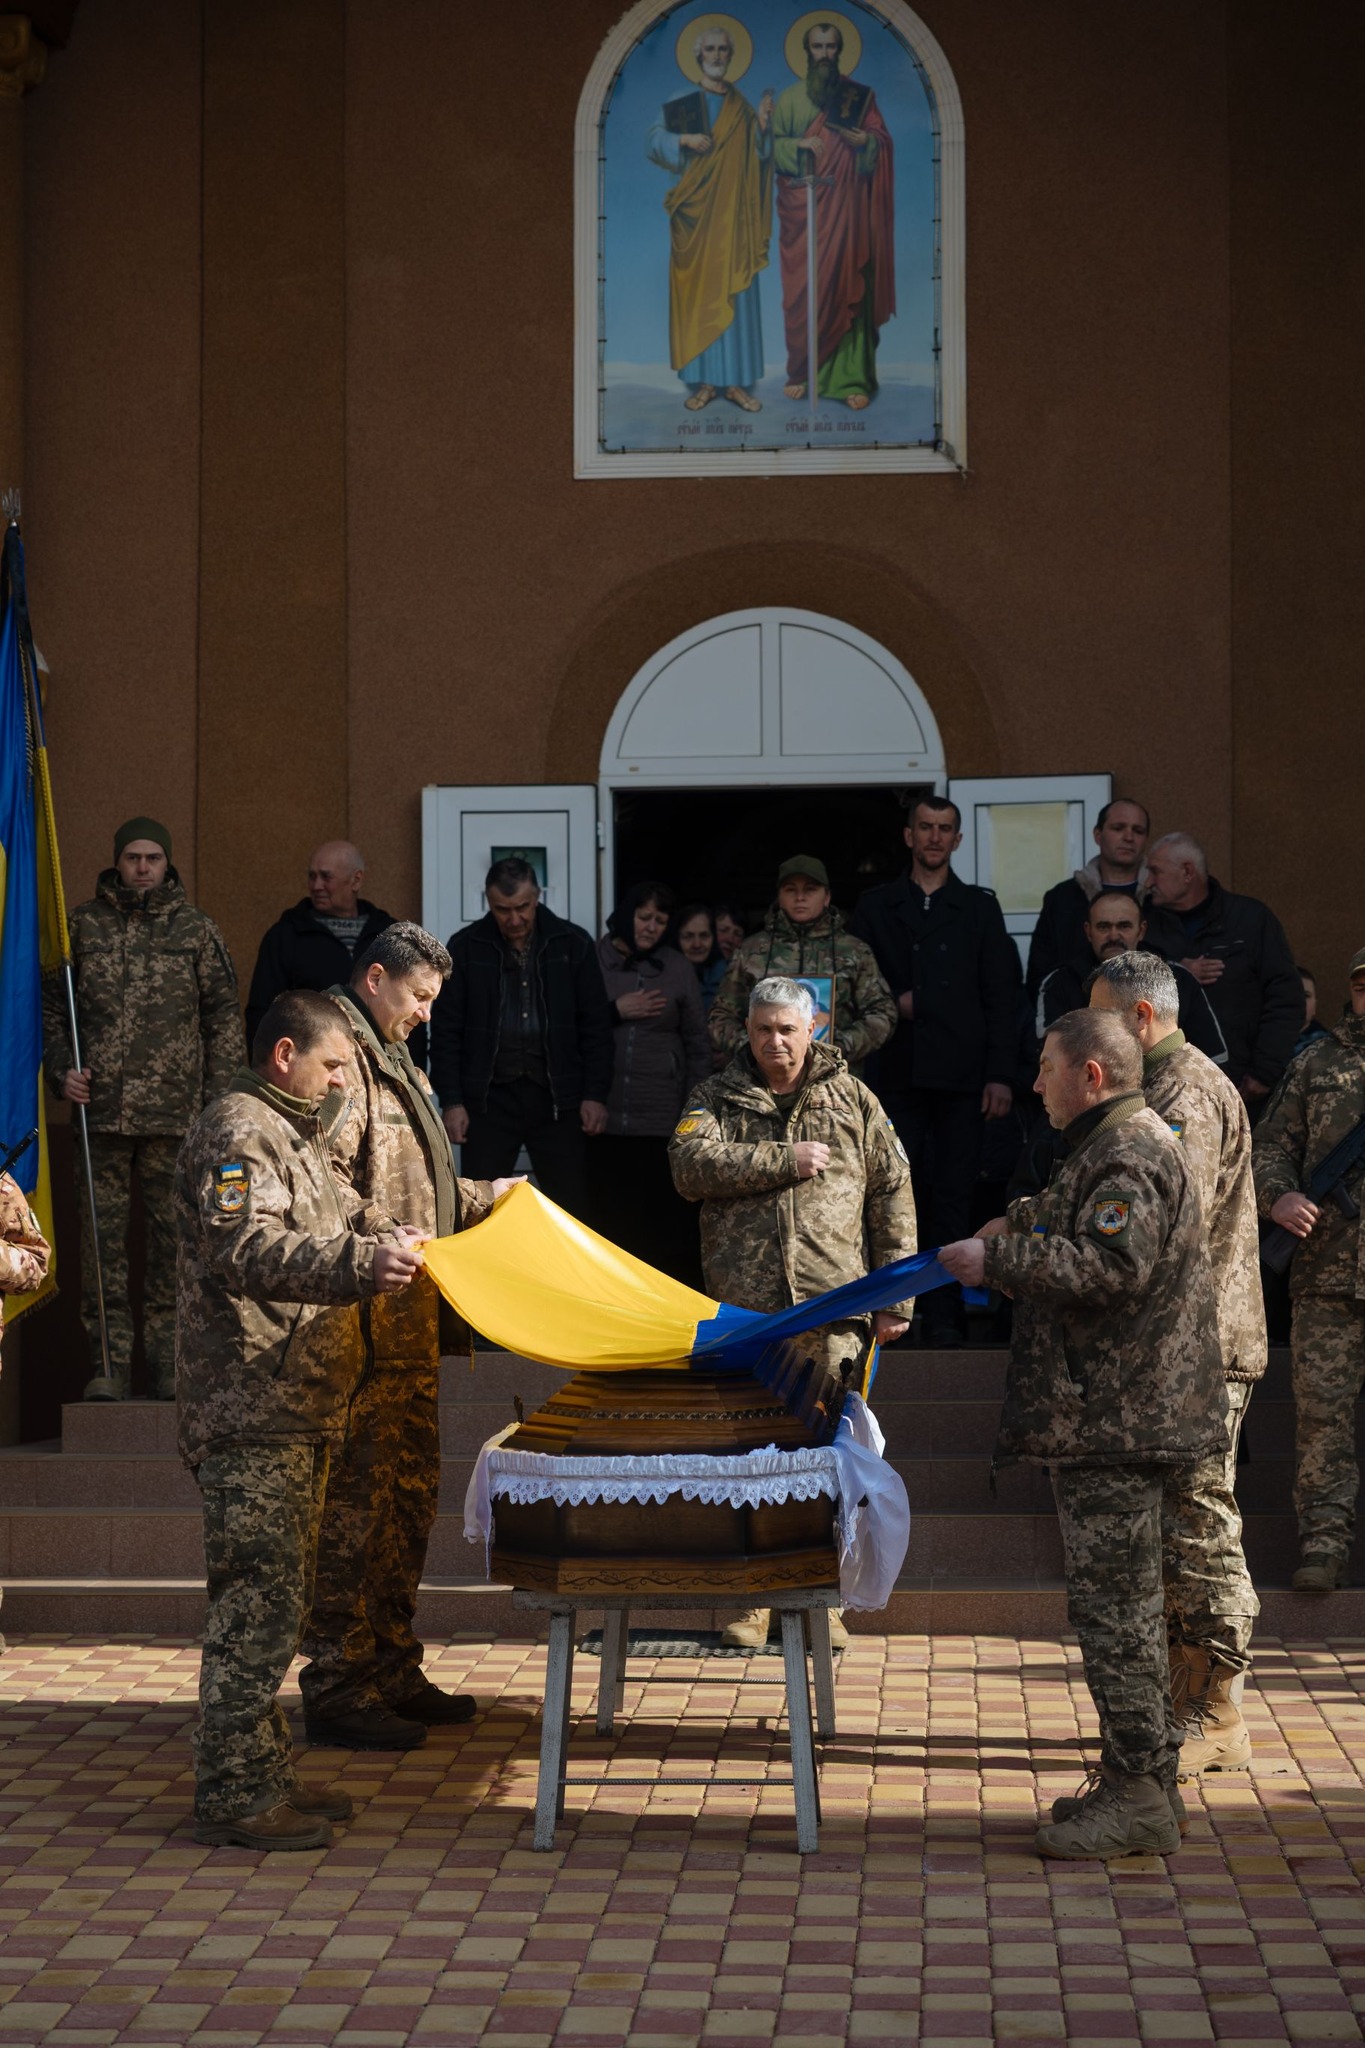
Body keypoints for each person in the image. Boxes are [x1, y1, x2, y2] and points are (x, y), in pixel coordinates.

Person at [941, 1009, 1225, 1858]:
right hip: (1115, 1412)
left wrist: (997, 1263)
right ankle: (1146, 1783)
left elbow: (1109, 1265)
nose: (1034, 1083)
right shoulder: (1110, 1146)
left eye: (1044, 1068)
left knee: (1117, 1615)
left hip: (1117, 1419)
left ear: (1089, 1074)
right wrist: (1018, 1224)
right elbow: (1074, 1218)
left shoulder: (1130, 1149)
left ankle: (1139, 1795)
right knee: (1123, 1610)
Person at [175, 989, 425, 1850]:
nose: (339, 1082)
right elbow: (242, 1248)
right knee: (256, 1605)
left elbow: (345, 1208)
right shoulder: (240, 1129)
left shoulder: (297, 1134)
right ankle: (235, 1797)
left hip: (300, 1404)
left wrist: (390, 1228)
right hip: (252, 1407)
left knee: (281, 1606)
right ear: (285, 1055)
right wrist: (364, 1262)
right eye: (331, 1066)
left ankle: (266, 1774)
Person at [300, 926, 520, 1749]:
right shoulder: (335, 1056)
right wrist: (387, 1230)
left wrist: (485, 1194)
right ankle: (337, 1681)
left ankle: (391, 1664)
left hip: (408, 1326)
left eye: (434, 1002)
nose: (425, 1015)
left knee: (402, 1501)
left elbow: (418, 1186)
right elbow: (314, 1181)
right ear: (376, 977)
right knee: (352, 1508)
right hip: (355, 1326)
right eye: (418, 997)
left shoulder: (397, 1063)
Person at [670, 974, 918, 1649]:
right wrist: (781, 1159)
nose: (775, 1041)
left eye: (787, 1028)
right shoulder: (716, 1096)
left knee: (826, 1458)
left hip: (831, 1309)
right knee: (746, 1455)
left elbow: (891, 1195)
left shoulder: (852, 1099)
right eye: (762, 1029)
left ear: (815, 1028)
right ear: (745, 1032)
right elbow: (687, 1167)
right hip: (746, 1315)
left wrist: (895, 1300)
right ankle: (749, 1600)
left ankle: (817, 1601)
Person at [1089, 952, 1265, 1774]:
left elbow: (1163, 1214)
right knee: (1172, 1527)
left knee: (1199, 1524)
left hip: (1205, 1349)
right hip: (1173, 1350)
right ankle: (1175, 1700)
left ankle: (1216, 1705)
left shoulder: (1184, 1093)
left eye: (1100, 1016)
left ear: (1141, 1019)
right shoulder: (1156, 1090)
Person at [42, 818, 242, 1402]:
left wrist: (218, 1108)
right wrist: (61, 1071)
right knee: (100, 1249)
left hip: (176, 1119)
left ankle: (167, 1365)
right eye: (133, 857)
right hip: (97, 1116)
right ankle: (108, 1366)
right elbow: (50, 1013)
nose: (143, 868)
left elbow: (223, 1021)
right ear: (117, 860)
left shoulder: (197, 931)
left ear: (167, 862)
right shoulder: (80, 926)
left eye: (153, 857)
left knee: (173, 1249)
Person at [851, 795, 1020, 1345]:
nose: (934, 837)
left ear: (957, 839)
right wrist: (892, 1003)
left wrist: (1000, 1075)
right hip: (891, 1077)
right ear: (908, 836)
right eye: (925, 827)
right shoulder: (876, 908)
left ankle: (945, 1316)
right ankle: (890, 1312)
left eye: (945, 829)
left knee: (951, 1196)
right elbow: (850, 987)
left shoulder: (978, 908)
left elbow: (1002, 997)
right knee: (891, 1195)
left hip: (960, 1080)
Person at [1252, 946, 1365, 1591]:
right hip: (1327, 1275)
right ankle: (1323, 1545)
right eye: (1360, 986)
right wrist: (1281, 1196)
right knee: (1323, 1418)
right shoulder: (1316, 1063)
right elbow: (1270, 1147)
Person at [429, 857, 612, 1220]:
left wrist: (595, 1094)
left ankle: (566, 1278)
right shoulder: (465, 947)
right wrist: (451, 1101)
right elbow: (446, 1030)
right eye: (502, 909)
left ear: (538, 897)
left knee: (570, 1208)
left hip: (560, 1100)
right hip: (488, 1101)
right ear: (488, 902)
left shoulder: (572, 943)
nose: (514, 919)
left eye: (522, 907)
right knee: (480, 1207)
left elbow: (596, 1025)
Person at [647, 24, 773, 415]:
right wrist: (683, 140)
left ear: (730, 56)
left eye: (723, 50)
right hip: (695, 218)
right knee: (701, 296)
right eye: (711, 50)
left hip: (733, 221)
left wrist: (764, 129)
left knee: (733, 291)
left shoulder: (741, 106)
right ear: (698, 55)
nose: (717, 56)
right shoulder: (684, 98)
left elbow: (757, 160)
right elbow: (654, 140)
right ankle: (704, 384)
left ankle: (734, 384)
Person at [772, 20, 894, 411]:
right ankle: (803, 371)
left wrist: (866, 143)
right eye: (817, 47)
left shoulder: (860, 98)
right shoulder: (790, 100)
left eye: (830, 47)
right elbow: (770, 149)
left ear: (840, 51)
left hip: (849, 211)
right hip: (805, 211)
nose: (824, 54)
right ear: (806, 53)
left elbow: (881, 141)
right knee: (806, 290)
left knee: (850, 284)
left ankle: (853, 377)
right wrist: (797, 143)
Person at [591, 883, 711, 1283]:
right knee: (612, 1219)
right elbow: (574, 1025)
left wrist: (694, 1106)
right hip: (604, 1114)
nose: (651, 928)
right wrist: (616, 1011)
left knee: (662, 1222)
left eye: (660, 921)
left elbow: (698, 1042)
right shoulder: (596, 958)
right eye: (644, 917)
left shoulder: (677, 967)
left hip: (663, 1114)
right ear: (627, 915)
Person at [1143, 832, 1301, 1115]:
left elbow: (1285, 996)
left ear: (1187, 872)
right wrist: (1178, 972)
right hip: (1161, 1090)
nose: (1148, 882)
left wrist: (1264, 1072)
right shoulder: (1143, 924)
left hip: (1241, 1088)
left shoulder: (1250, 919)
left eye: (1156, 872)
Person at [710, 855, 895, 1071]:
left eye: (810, 889)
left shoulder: (854, 951)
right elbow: (720, 1015)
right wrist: (753, 1048)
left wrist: (841, 1046)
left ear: (826, 897)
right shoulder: (751, 951)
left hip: (834, 1084)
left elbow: (883, 1012)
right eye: (790, 889)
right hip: (761, 1086)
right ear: (779, 897)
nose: (800, 897)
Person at [245, 842, 418, 1051]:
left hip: (381, 1066)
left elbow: (411, 1004)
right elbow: (262, 1013)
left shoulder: (390, 936)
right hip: (311, 1067)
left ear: (356, 880)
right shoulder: (286, 935)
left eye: (326, 877)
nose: (316, 886)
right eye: (312, 876)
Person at [1036, 889, 1228, 1064]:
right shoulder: (1058, 983)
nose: (1113, 935)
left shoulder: (1179, 980)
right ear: (1088, 931)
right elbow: (1052, 1061)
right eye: (1103, 927)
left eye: (1124, 926)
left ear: (1141, 930)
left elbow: (1213, 1058)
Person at [1026, 799, 1150, 1000]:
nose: (1129, 837)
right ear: (1098, 835)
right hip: (1076, 1016)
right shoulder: (1062, 898)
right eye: (1118, 828)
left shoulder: (1161, 895)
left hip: (1149, 1017)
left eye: (1138, 831)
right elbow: (1039, 975)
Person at [677, 902, 727, 1013]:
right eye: (688, 936)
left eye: (704, 936)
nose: (697, 944)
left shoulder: (729, 978)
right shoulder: (664, 977)